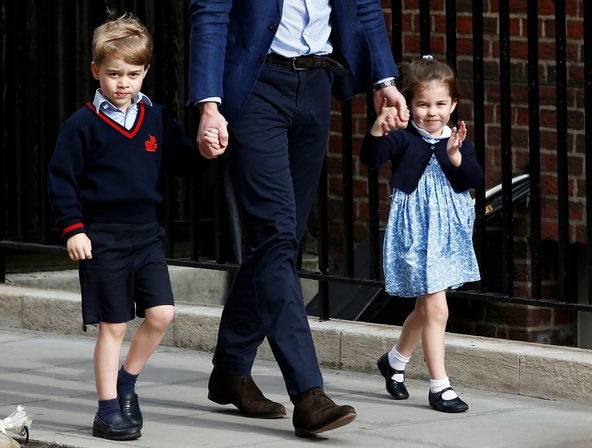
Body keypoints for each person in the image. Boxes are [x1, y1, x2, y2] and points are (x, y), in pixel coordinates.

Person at [187, 0, 409, 437]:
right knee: (274, 235)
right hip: (254, 87)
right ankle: (308, 393)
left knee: (280, 239)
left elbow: (362, 6)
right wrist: (208, 106)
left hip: (316, 87)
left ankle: (230, 370)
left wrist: (384, 79)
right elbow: (210, 13)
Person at [47, 12, 212, 441]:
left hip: (146, 235)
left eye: (133, 74)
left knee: (161, 314)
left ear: (145, 73)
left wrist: (206, 152)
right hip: (102, 237)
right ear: (96, 71)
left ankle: (127, 383)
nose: (123, 83)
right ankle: (106, 410)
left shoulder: (154, 117)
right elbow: (61, 180)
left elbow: (178, 158)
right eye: (114, 73)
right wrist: (73, 229)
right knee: (114, 325)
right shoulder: (81, 125)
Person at [360, 56, 483, 413]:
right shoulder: (403, 138)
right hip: (416, 230)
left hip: (448, 235)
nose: (432, 113)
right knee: (437, 309)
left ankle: (395, 362)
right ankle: (439, 386)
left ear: (453, 104)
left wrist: (456, 157)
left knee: (426, 308)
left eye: (441, 104)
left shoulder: (455, 139)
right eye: (423, 104)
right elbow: (371, 158)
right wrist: (378, 129)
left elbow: (473, 179)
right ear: (410, 105)